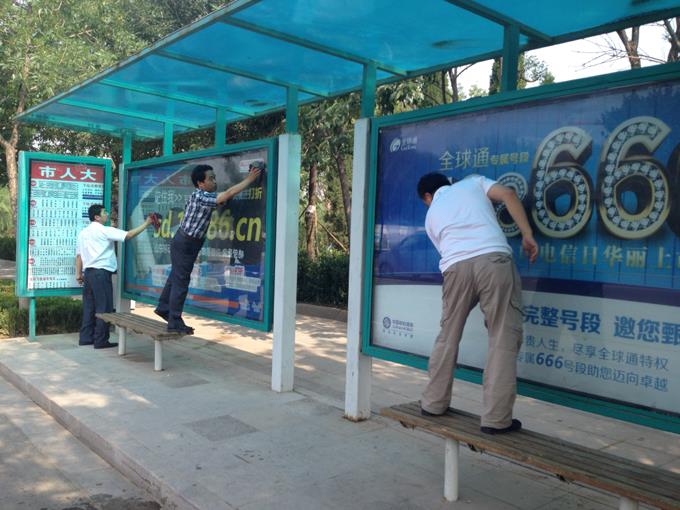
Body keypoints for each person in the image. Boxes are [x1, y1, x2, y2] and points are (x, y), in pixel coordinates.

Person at [416, 172, 538, 434]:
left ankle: (433, 403)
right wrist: (527, 234)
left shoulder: (431, 215)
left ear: (427, 196)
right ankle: (496, 419)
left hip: (455, 269)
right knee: (502, 335)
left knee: (448, 335)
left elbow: (448, 252)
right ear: (448, 183)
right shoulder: (473, 183)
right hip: (493, 260)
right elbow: (508, 194)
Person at [154, 162, 262, 333]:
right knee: (181, 282)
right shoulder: (200, 196)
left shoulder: (203, 197)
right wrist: (250, 179)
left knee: (176, 277)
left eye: (214, 178)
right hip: (186, 243)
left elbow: (223, 199)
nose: (214, 181)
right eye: (211, 179)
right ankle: (174, 322)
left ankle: (163, 307)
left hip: (186, 242)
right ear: (200, 183)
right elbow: (227, 194)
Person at [76, 205, 153, 349]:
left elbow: (79, 255)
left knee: (89, 307)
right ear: (97, 217)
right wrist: (146, 223)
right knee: (104, 308)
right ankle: (101, 340)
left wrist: (78, 274)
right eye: (104, 212)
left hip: (89, 274)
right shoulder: (105, 230)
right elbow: (128, 235)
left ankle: (85, 338)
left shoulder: (83, 233)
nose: (107, 214)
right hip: (101, 274)